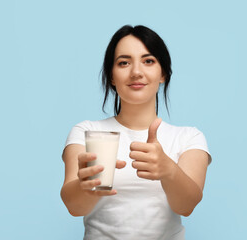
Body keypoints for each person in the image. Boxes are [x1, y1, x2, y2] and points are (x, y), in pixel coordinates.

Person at [61, 25, 211, 240]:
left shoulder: (189, 137)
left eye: (148, 61)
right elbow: (74, 208)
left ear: (163, 74)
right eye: (124, 62)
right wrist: (87, 186)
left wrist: (168, 170)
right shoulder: (87, 131)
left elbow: (186, 206)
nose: (136, 72)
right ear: (111, 76)